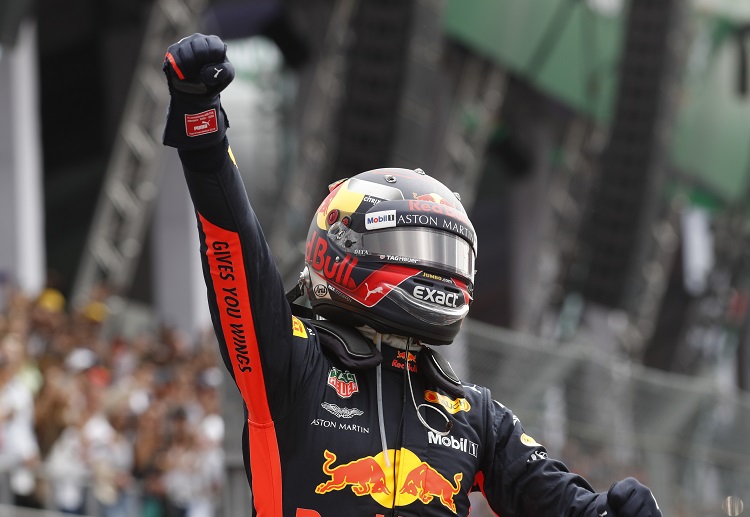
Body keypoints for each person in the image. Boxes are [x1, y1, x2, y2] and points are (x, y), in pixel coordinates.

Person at [161, 33, 662, 517]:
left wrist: (611, 511)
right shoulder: (291, 361)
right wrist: (203, 128)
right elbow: (234, 244)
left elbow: (562, 503)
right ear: (346, 245)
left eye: (447, 252)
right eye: (418, 247)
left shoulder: (473, 411)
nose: (438, 269)